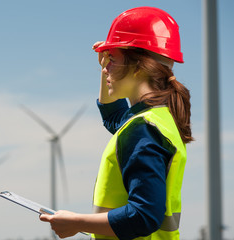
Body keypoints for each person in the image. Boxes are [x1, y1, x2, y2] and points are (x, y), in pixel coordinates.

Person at [39, 6, 194, 240]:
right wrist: (109, 65)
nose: (105, 67)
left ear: (139, 65)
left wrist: (76, 222)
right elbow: (113, 118)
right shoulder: (157, 120)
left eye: (112, 59)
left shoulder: (143, 130)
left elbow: (144, 215)